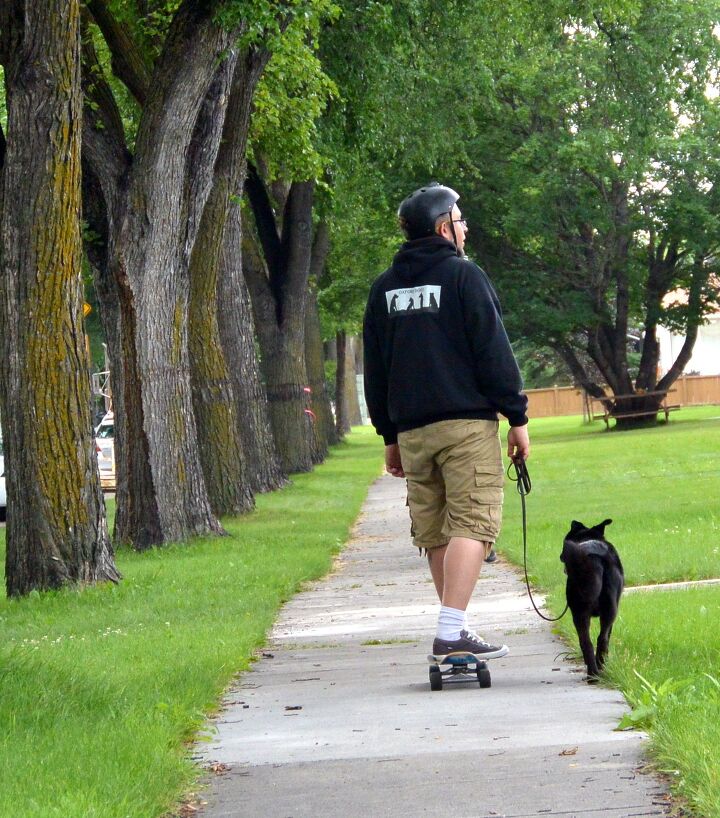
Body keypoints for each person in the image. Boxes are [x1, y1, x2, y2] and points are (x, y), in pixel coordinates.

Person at [363, 182, 530, 659]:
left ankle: (455, 628)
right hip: (465, 427)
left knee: (436, 531)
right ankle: (452, 629)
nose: (466, 227)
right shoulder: (464, 277)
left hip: (413, 432)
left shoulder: (384, 289)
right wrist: (516, 417)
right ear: (443, 227)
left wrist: (390, 437)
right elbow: (493, 352)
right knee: (474, 524)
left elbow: (376, 370)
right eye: (460, 219)